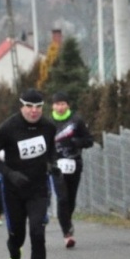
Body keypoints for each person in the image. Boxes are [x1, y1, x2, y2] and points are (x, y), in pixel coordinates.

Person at [0, 88, 59, 259]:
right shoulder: (9, 127)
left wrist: (53, 165)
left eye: (38, 107)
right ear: (21, 107)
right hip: (13, 190)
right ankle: (14, 258)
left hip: (38, 189)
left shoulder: (48, 127)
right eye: (29, 106)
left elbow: (51, 150)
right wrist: (10, 174)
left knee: (38, 233)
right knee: (17, 237)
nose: (33, 111)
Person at [50, 91, 94, 248]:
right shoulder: (48, 123)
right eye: (57, 104)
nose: (60, 107)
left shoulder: (77, 121)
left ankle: (67, 221)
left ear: (68, 105)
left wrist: (77, 142)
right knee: (62, 198)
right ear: (52, 106)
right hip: (56, 166)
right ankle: (67, 233)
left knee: (70, 199)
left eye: (63, 104)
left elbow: (89, 140)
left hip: (74, 163)